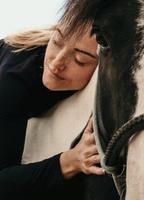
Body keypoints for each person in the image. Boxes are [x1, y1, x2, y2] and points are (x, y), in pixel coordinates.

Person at [0, 21, 119, 200]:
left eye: (80, 60)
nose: (56, 63)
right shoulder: (13, 84)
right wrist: (70, 161)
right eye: (56, 43)